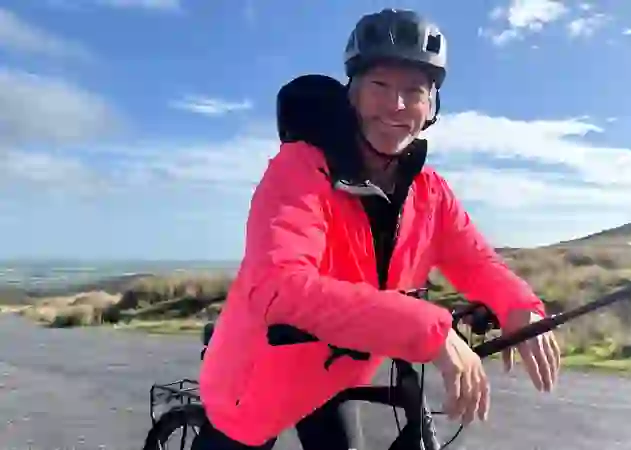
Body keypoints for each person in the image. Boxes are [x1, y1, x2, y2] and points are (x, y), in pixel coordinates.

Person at [192, 8, 561, 450]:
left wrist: (517, 304)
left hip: (331, 376)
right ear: (352, 95)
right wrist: (429, 330)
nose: (396, 105)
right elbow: (280, 286)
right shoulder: (301, 169)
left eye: (415, 91)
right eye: (379, 86)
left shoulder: (428, 191)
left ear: (432, 109)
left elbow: (475, 260)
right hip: (256, 378)